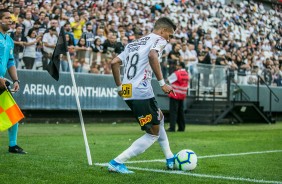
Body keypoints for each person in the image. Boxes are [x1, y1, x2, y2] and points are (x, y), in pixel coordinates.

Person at [109, 17, 176, 174]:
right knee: (153, 133)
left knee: (159, 117)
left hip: (128, 90)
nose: (169, 39)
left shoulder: (133, 44)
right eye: (170, 35)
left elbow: (114, 63)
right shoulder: (159, 39)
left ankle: (169, 156)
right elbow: (153, 56)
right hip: (141, 90)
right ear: (163, 31)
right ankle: (117, 162)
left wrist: (119, 87)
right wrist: (162, 83)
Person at [0, 9, 26, 154]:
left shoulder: (9, 40)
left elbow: (10, 62)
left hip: (2, 81)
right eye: (7, 18)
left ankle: (13, 145)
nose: (11, 20)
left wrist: (16, 80)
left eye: (11, 18)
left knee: (12, 112)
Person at [167, 61, 189, 132]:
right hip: (182, 94)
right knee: (180, 112)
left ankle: (172, 127)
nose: (176, 67)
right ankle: (181, 127)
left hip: (175, 94)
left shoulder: (177, 73)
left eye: (177, 65)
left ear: (180, 66)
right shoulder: (186, 74)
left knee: (173, 111)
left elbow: (168, 80)